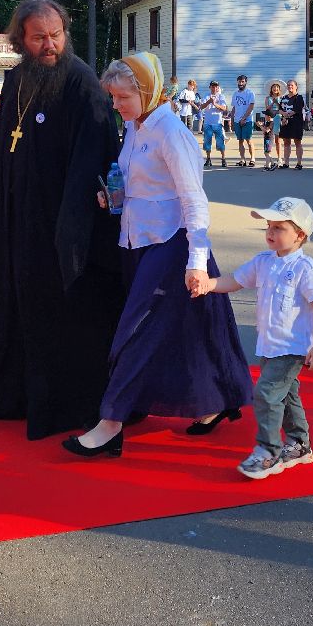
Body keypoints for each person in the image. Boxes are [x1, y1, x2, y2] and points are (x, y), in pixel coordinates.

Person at [0, 0, 125, 440]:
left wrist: (70, 235)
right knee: (15, 310)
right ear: (20, 40)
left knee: (62, 319)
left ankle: (63, 403)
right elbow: (1, 157)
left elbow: (95, 166)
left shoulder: (83, 85)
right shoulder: (16, 82)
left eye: (56, 35)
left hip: (61, 233)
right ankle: (16, 391)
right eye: (39, 38)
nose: (50, 45)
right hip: (17, 226)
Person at [65, 52, 253, 458]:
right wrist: (113, 197)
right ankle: (218, 398)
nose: (115, 106)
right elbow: (140, 183)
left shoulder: (171, 132)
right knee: (194, 326)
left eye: (121, 97)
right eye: (112, 97)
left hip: (173, 244)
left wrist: (196, 262)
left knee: (135, 332)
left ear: (146, 91)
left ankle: (110, 423)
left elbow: (194, 200)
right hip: (137, 240)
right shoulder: (135, 126)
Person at [201, 197, 313, 480]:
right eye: (269, 226)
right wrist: (208, 284)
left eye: (279, 227)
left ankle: (268, 452)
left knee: (267, 394)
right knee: (287, 394)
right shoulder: (263, 262)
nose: (270, 232)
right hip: (269, 345)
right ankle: (299, 444)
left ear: (300, 234)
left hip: (292, 347)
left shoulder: (305, 269)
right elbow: (234, 281)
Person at [279, 78, 306, 169]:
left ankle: (299, 163)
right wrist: (283, 115)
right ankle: (286, 163)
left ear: (296, 87)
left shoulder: (299, 97)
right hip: (285, 123)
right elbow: (280, 109)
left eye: (292, 85)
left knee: (297, 142)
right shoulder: (284, 98)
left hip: (296, 123)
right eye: (288, 85)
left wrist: (287, 115)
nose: (290, 86)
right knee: (286, 142)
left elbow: (297, 109)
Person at [200, 79, 228, 167]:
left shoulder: (221, 96)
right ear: (210, 87)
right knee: (207, 142)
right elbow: (201, 106)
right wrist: (209, 102)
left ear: (218, 88)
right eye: (212, 86)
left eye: (216, 86)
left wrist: (215, 104)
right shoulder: (206, 96)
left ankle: (223, 159)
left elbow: (224, 108)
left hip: (217, 122)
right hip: (208, 122)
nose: (214, 88)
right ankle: (208, 159)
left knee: (220, 142)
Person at [230, 74, 256, 167]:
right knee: (240, 140)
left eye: (242, 81)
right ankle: (242, 159)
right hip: (237, 121)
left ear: (246, 82)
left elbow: (251, 107)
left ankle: (252, 159)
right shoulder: (235, 94)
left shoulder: (250, 93)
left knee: (248, 140)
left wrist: (244, 118)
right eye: (239, 82)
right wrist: (232, 120)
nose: (240, 83)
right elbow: (234, 108)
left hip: (247, 120)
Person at [260, 80, 283, 169]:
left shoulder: (281, 98)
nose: (275, 89)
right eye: (274, 87)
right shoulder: (267, 98)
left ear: (279, 89)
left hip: (278, 118)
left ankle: (279, 158)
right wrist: (273, 102)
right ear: (271, 89)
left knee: (278, 140)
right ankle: (269, 159)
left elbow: (281, 108)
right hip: (270, 118)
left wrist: (277, 102)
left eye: (277, 87)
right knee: (269, 139)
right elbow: (267, 108)